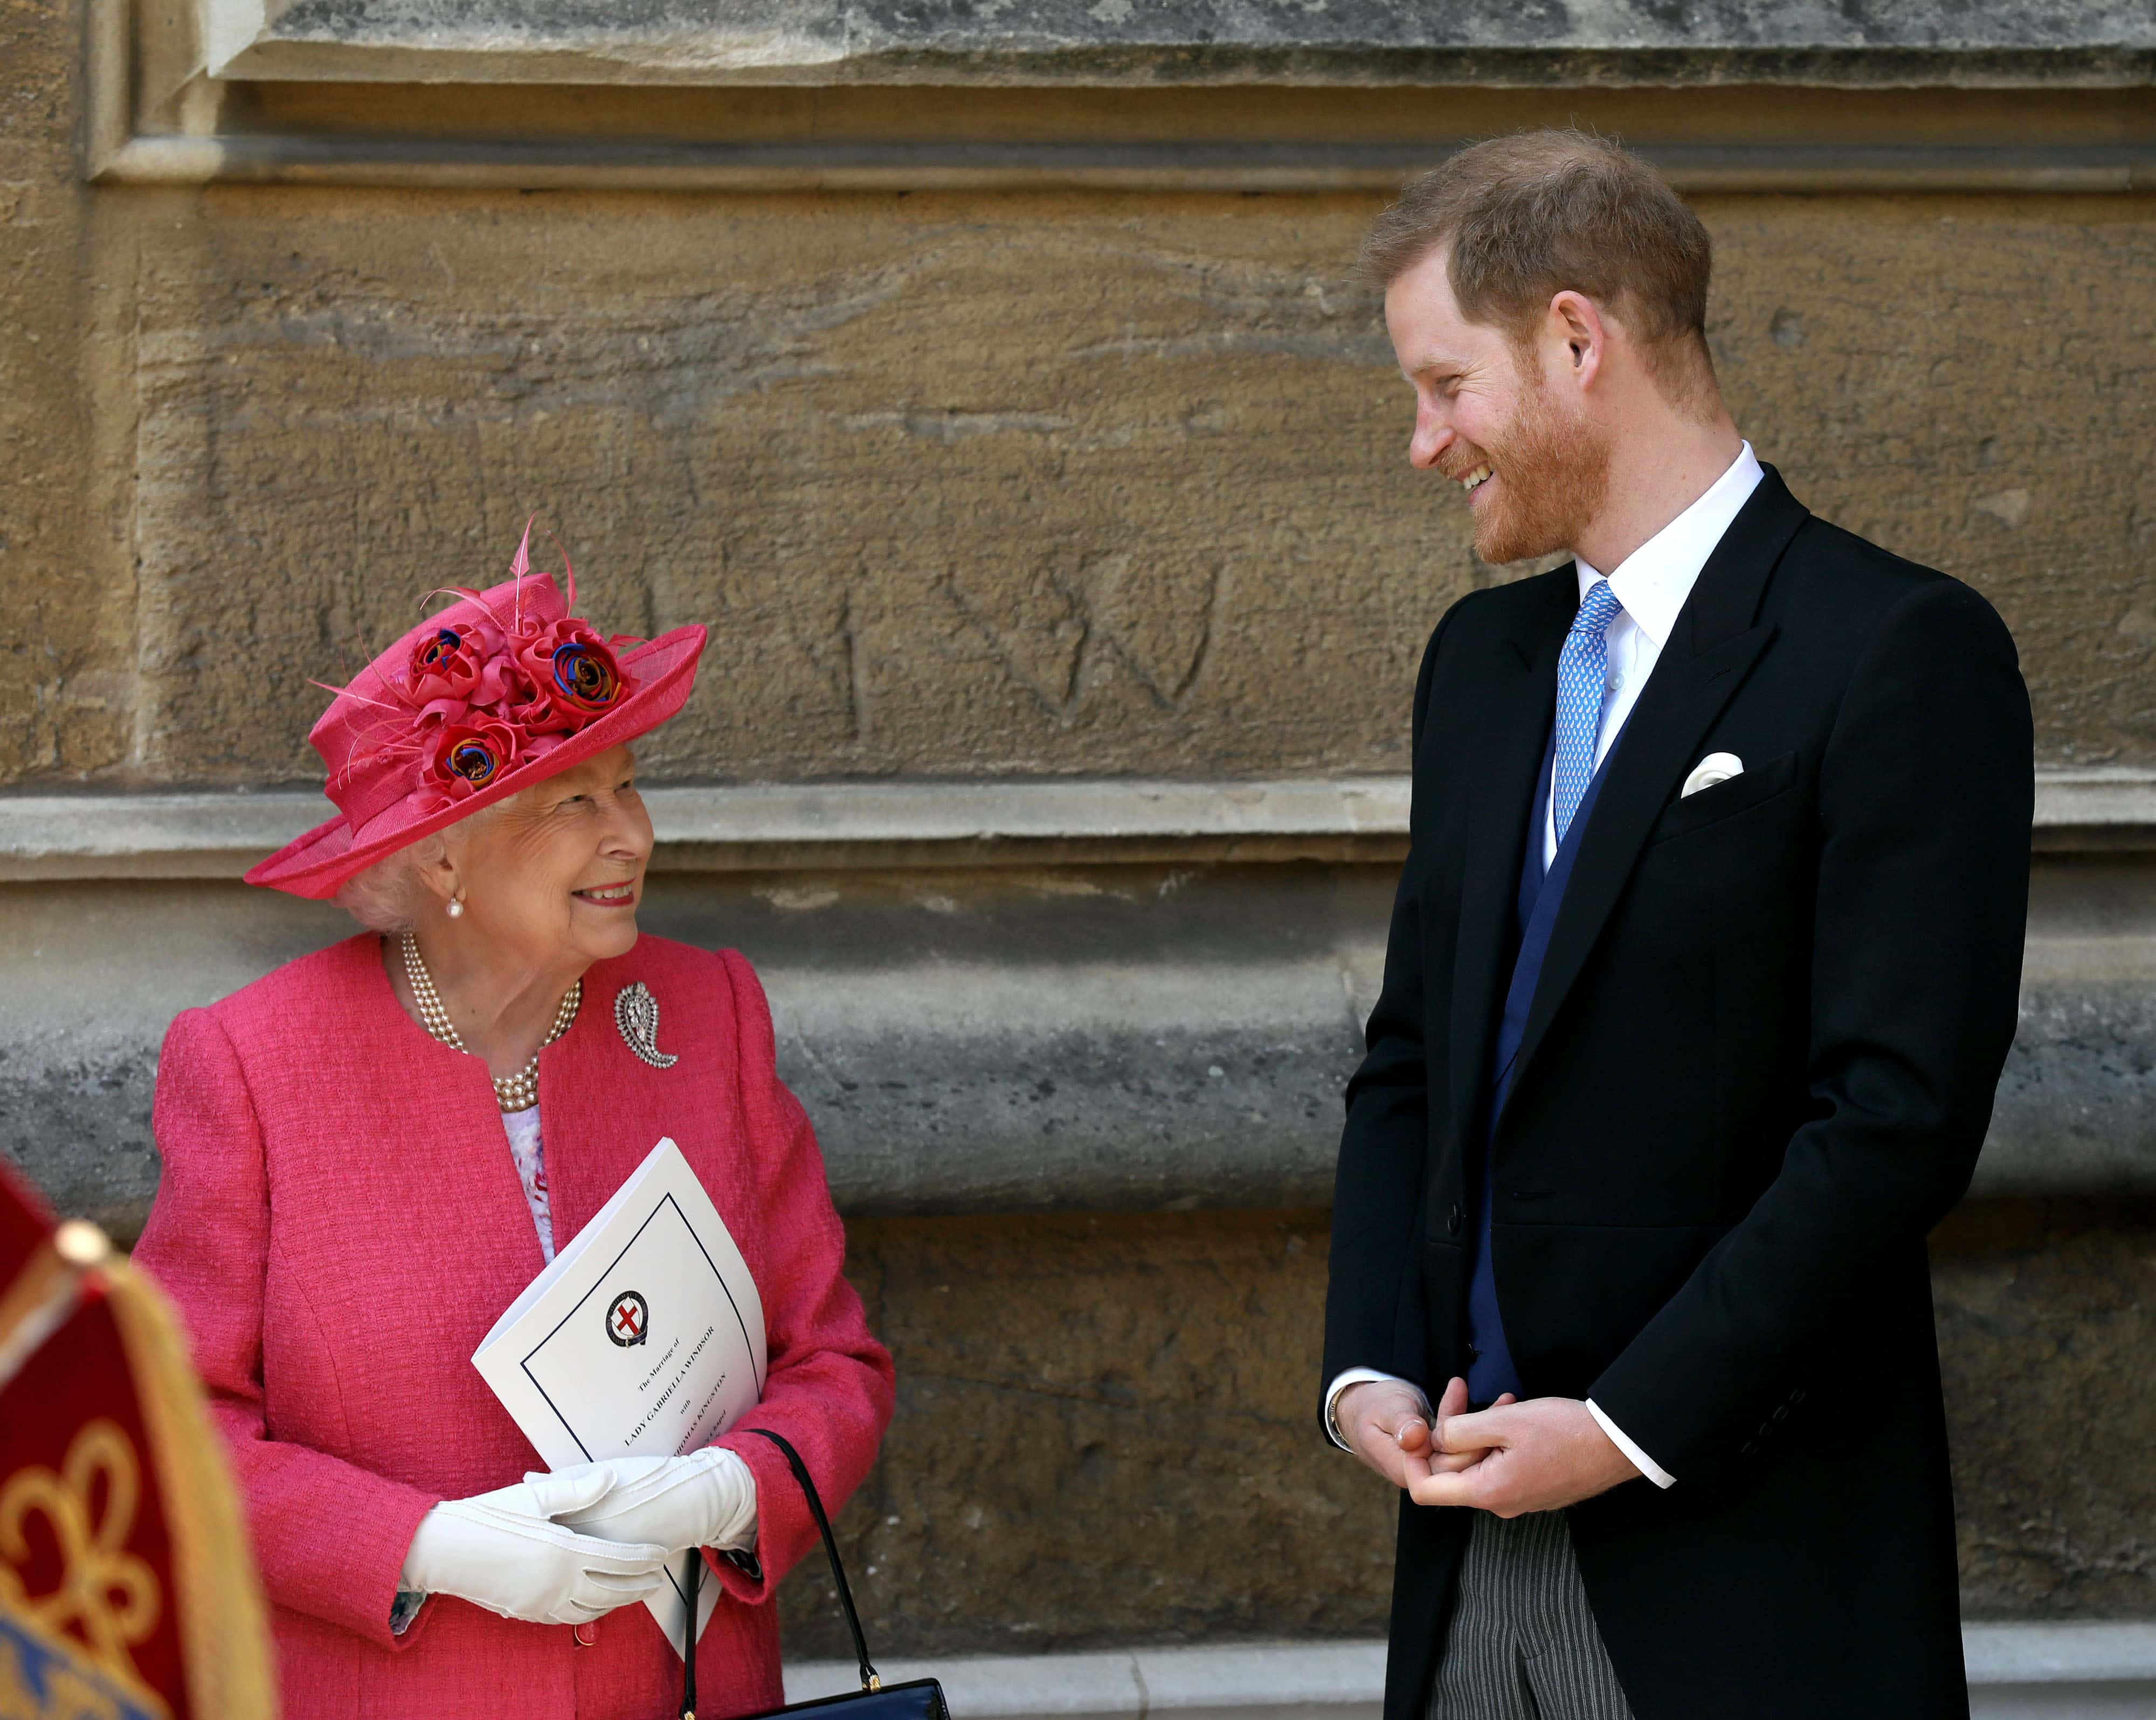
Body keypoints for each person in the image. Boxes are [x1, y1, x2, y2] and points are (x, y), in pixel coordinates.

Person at [1320, 131, 2031, 1720]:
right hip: (1462, 1573)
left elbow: (1896, 1125)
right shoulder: (1483, 668)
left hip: (1744, 1575)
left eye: (1446, 385)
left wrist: (1627, 1425)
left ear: (1579, 341)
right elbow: (1418, 1055)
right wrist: (1366, 1364)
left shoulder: (1898, 651)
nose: (1425, 443)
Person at [134, 530, 895, 1719]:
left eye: (630, 784)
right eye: (572, 802)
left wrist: (729, 1491)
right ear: (442, 852)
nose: (631, 835)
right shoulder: (252, 1065)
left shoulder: (709, 1013)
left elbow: (833, 1364)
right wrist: (426, 1545)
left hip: (684, 1694)